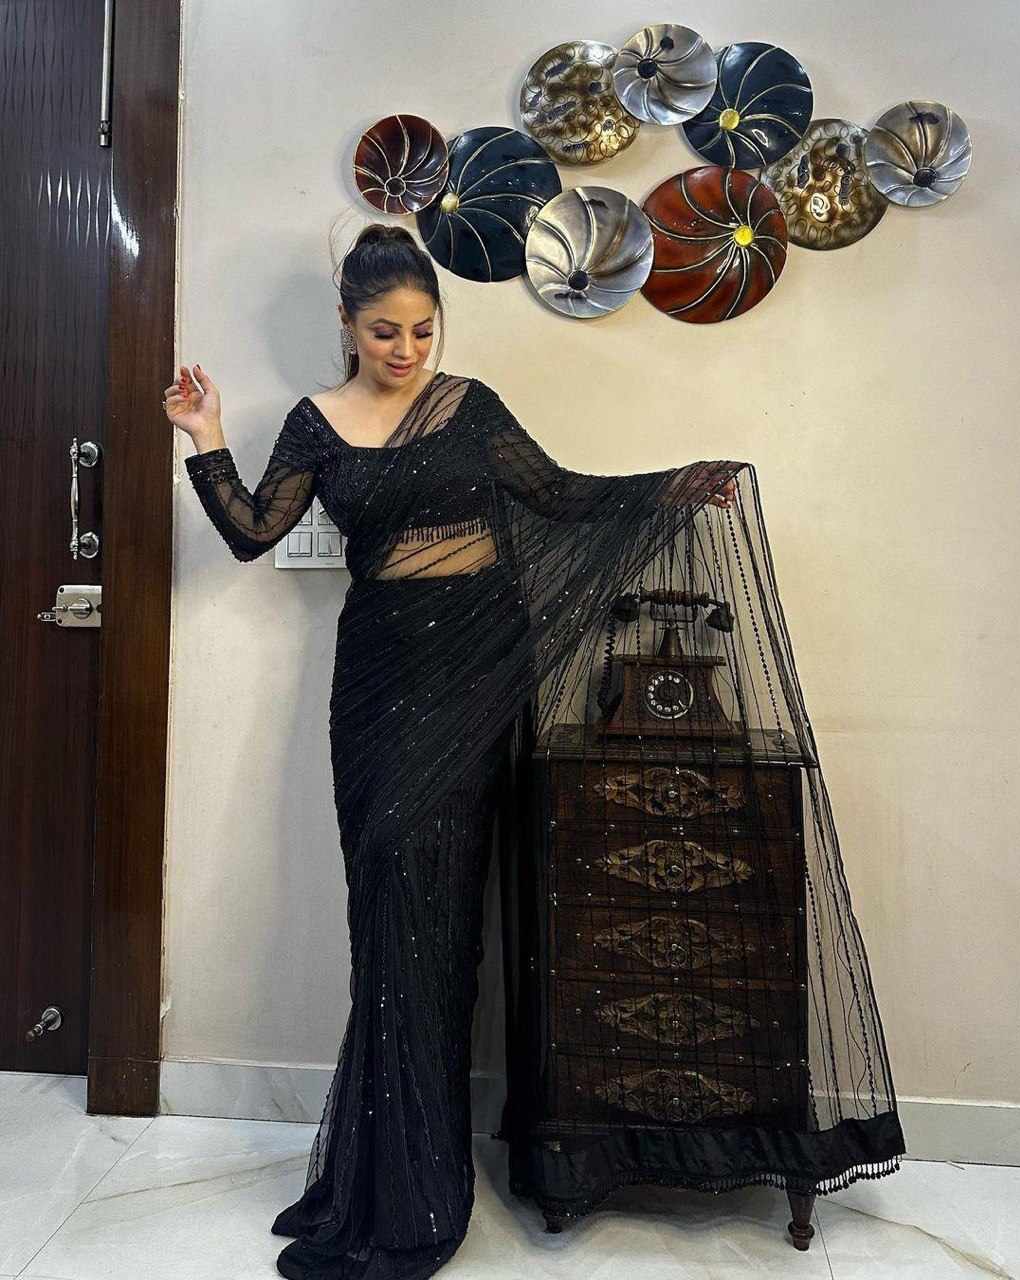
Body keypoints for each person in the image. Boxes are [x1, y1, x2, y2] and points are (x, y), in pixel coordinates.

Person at [165, 224, 903, 1279]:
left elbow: (560, 496)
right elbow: (250, 530)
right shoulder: (314, 424)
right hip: (377, 681)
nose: (407, 349)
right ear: (347, 324)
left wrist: (670, 484)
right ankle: (373, 1175)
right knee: (386, 907)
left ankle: (419, 1193)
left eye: (423, 329)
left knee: (439, 913)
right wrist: (203, 433)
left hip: (478, 671)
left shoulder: (470, 407)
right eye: (385, 332)